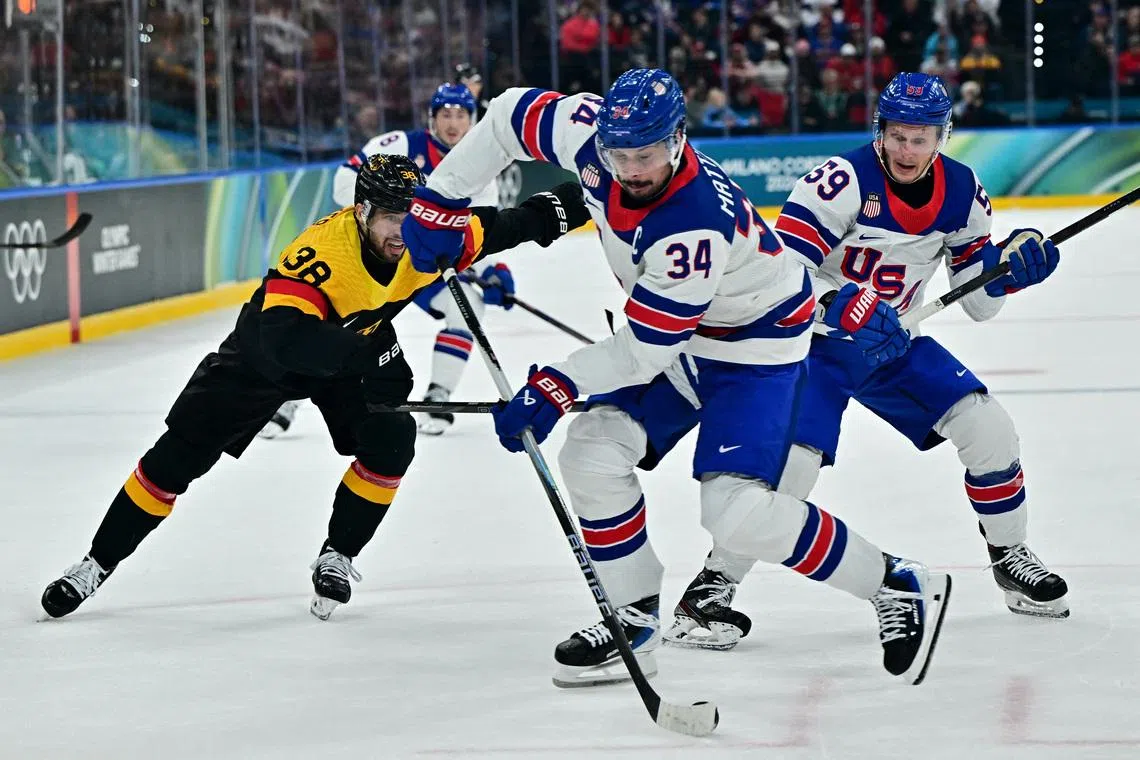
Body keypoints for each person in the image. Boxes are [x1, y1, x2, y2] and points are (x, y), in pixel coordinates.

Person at [399, 68, 951, 687]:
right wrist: (442, 197)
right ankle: (633, 615)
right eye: (621, 155)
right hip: (686, 332)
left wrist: (555, 383)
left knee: (736, 513)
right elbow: (503, 117)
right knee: (593, 451)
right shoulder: (589, 131)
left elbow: (642, 352)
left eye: (648, 154)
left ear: (679, 139)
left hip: (755, 344)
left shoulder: (691, 224)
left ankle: (895, 582)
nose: (632, 169)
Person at [40, 154, 590, 622]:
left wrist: (595, 191)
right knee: (177, 457)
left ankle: (337, 554)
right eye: (392, 218)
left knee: (392, 436)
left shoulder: (431, 236)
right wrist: (369, 353)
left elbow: (518, 221)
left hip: (353, 346)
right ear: (363, 211)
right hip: (266, 356)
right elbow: (286, 342)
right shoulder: (324, 256)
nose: (404, 231)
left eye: (413, 215)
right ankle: (96, 562)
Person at [676, 72, 1068, 651]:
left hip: (895, 343)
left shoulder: (962, 192)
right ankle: (711, 589)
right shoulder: (837, 182)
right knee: (792, 470)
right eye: (899, 136)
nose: (908, 150)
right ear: (880, 131)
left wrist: (1010, 265)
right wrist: (841, 302)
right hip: (819, 345)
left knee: (989, 428)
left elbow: (980, 303)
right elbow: (780, 276)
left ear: (943, 136)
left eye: (922, 138)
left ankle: (1010, 557)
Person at [259, 82, 507, 440]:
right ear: (431, 118)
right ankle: (287, 401)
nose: (453, 124)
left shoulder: (480, 166)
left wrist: (492, 271)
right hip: (377, 252)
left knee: (467, 307)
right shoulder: (400, 146)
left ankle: (439, 394)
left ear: (473, 119)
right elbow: (345, 180)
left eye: (462, 115)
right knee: (337, 325)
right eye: (445, 114)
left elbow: (480, 228)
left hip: (422, 268)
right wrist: (389, 214)